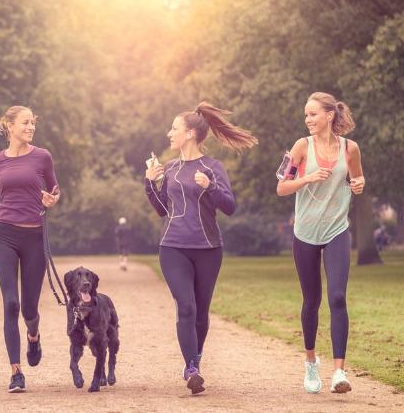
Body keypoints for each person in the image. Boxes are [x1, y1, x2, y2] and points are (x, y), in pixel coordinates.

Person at [144, 102, 257, 394]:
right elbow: (162, 211)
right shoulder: (170, 168)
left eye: (174, 128)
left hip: (208, 248)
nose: (169, 133)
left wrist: (210, 186)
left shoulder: (212, 167)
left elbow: (229, 207)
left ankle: (195, 359)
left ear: (191, 133)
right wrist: (149, 185)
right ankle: (191, 369)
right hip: (173, 247)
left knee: (201, 313)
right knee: (186, 307)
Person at [276, 92, 365, 394]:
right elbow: (281, 187)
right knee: (311, 300)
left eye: (313, 114)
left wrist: (359, 183)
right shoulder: (301, 147)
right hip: (305, 233)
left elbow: (356, 181)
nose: (308, 120)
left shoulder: (350, 149)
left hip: (337, 229)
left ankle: (339, 372)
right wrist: (308, 178)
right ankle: (311, 363)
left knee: (338, 297)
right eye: (306, 115)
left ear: (329, 115)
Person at [0, 106, 60, 393]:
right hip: (5, 236)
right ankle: (15, 372)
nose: (30, 127)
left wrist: (51, 200)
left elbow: (55, 188)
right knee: (10, 303)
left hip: (34, 237)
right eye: (25, 123)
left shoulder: (42, 156)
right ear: (9, 126)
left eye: (33, 123)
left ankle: (33, 335)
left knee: (29, 308)